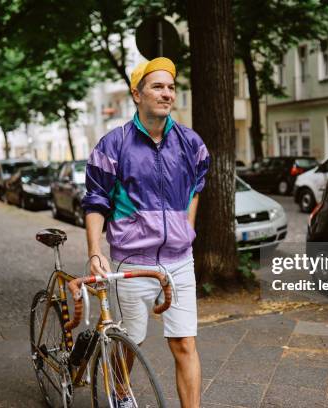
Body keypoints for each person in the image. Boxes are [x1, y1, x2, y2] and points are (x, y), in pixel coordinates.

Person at [82, 57, 209, 408]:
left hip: (179, 262)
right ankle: (121, 393)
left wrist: (188, 228)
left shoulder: (191, 143)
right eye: (158, 86)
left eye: (170, 87)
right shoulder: (113, 145)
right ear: (136, 94)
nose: (166, 93)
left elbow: (197, 187)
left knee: (185, 344)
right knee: (129, 342)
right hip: (131, 263)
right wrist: (95, 250)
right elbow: (95, 202)